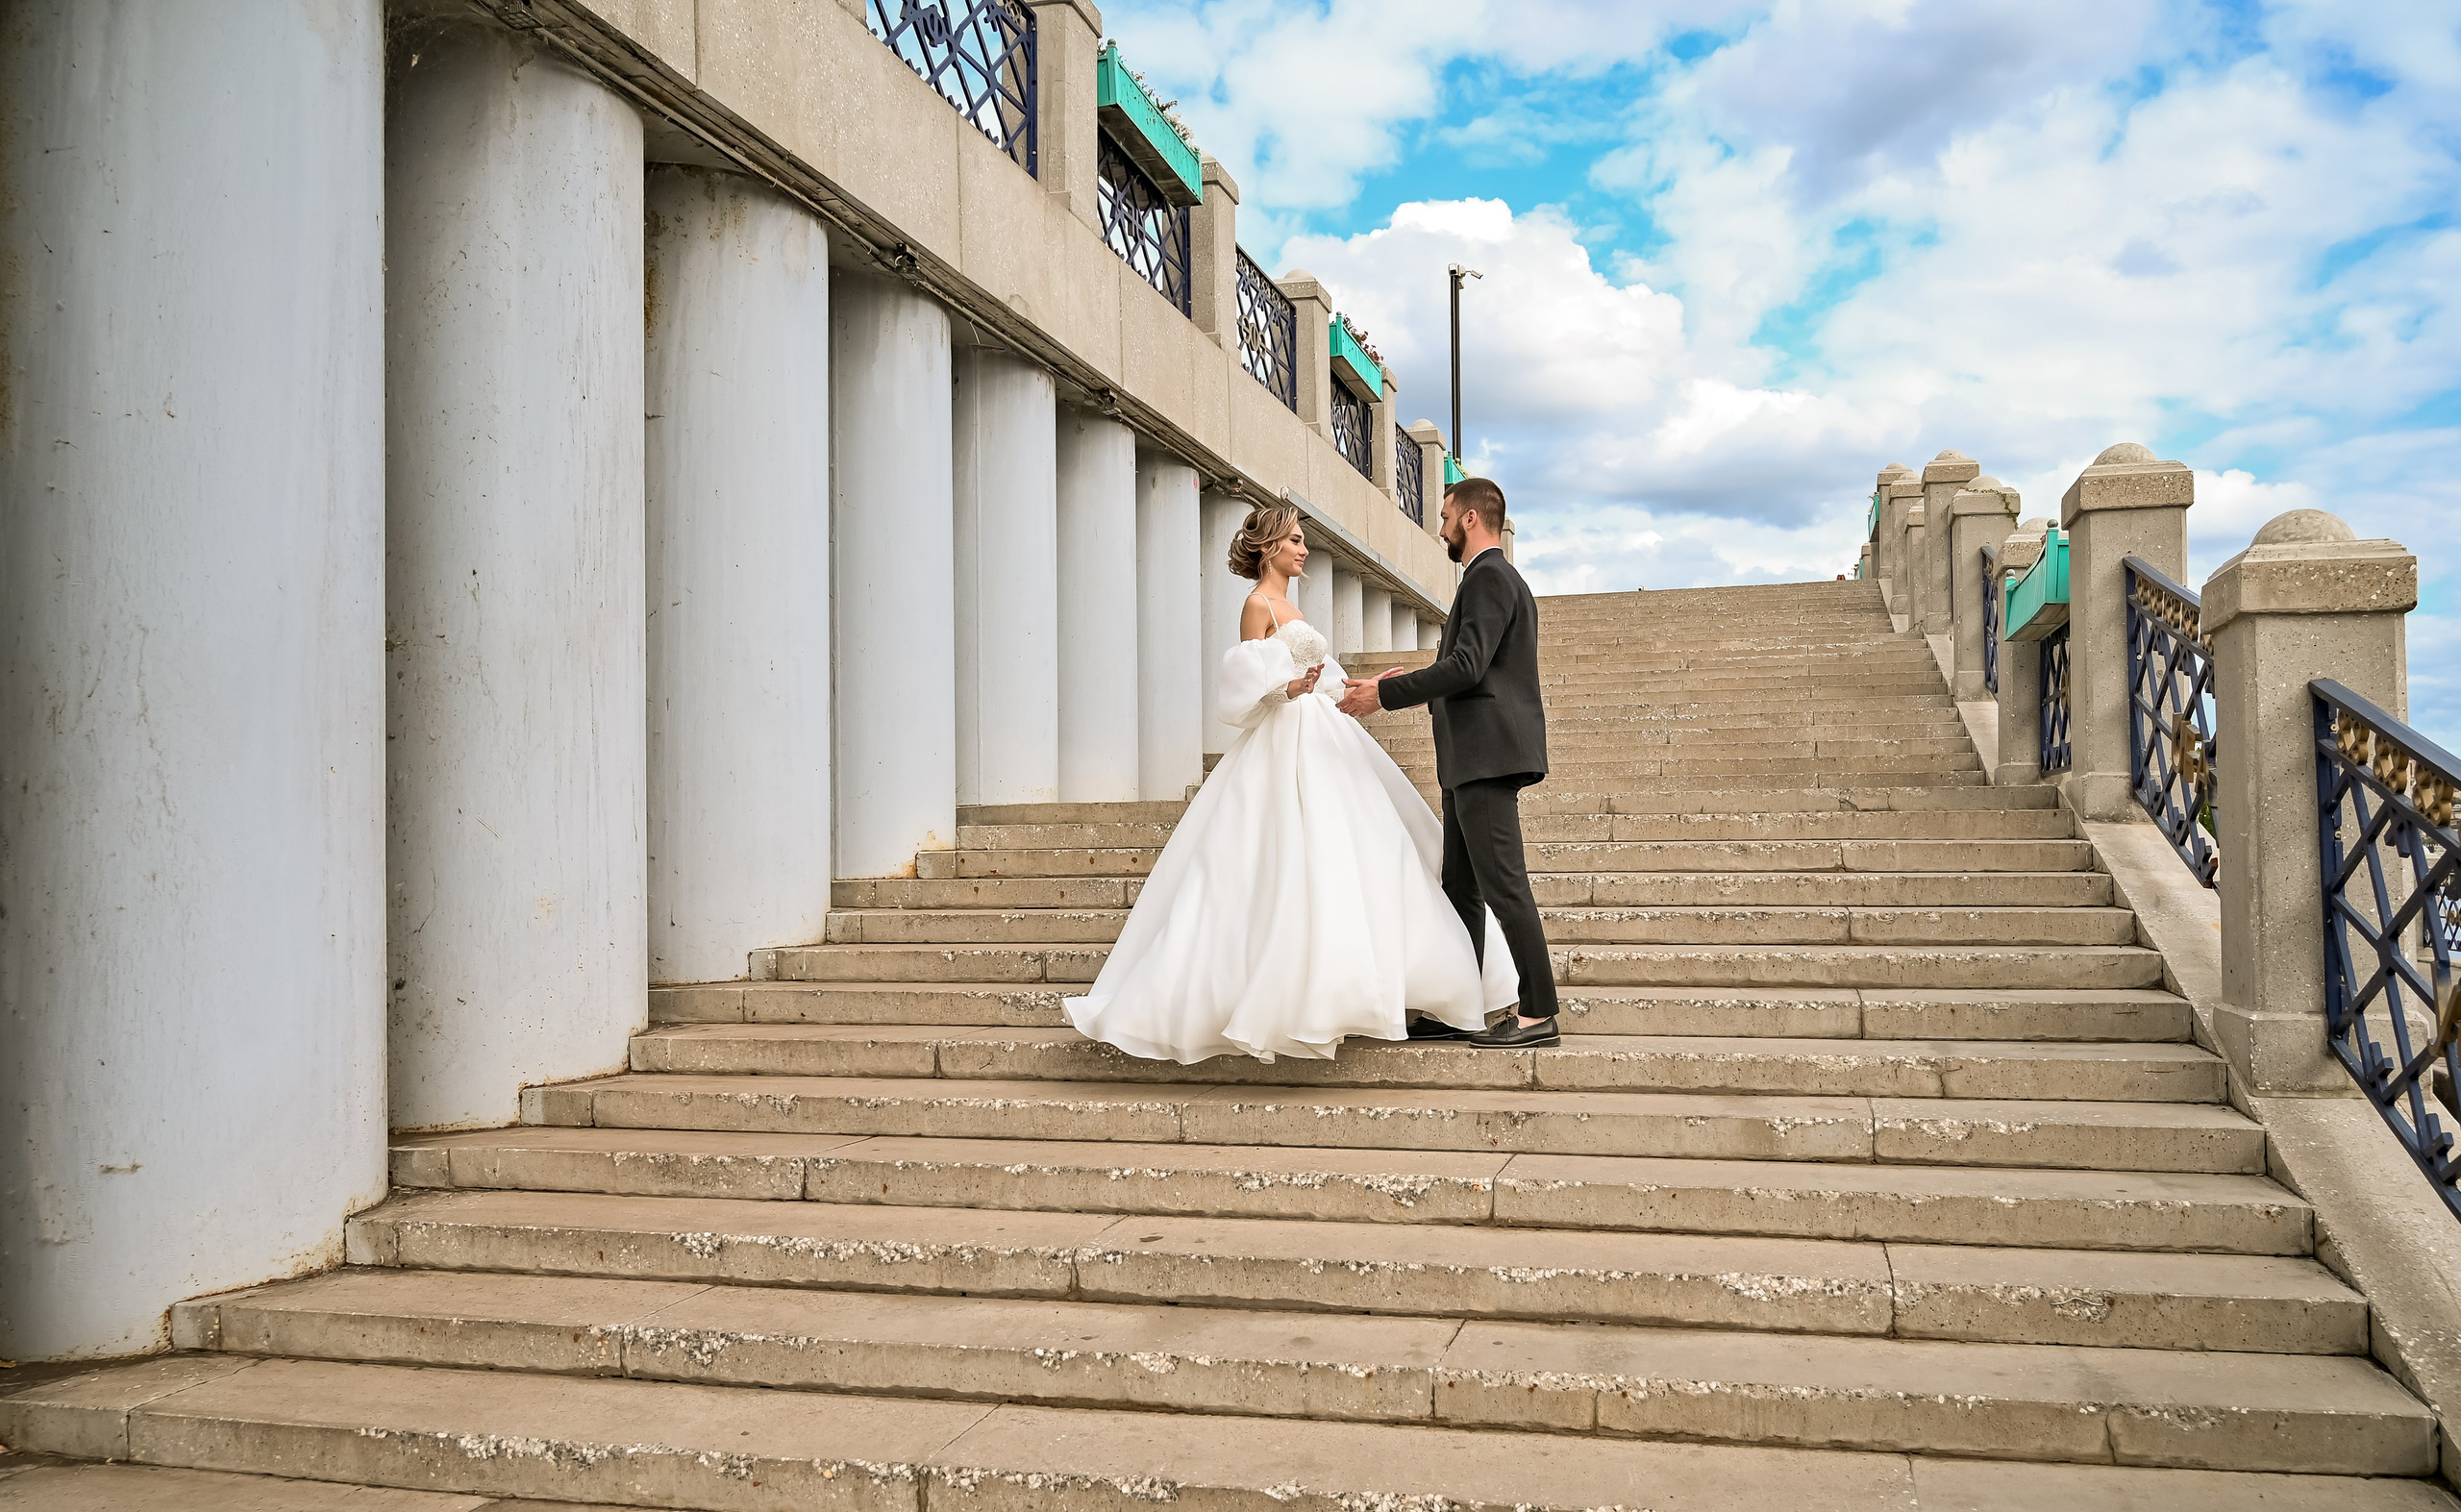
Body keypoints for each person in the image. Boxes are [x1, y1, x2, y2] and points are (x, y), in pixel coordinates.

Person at [1061, 502, 1515, 1063]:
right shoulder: (1257, 606)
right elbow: (1246, 694)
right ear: (1271, 546)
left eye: (1303, 540)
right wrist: (1288, 691)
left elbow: (1323, 679)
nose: (1303, 549)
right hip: (1287, 740)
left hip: (1324, 734)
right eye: (1296, 540)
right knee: (1292, 859)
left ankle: (1381, 983)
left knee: (1365, 851)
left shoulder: (1290, 605)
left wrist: (1370, 684)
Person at [1336, 477, 1556, 1048]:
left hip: (1485, 758)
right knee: (1461, 887)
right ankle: (1461, 1006)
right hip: (1469, 759)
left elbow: (1467, 666)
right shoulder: (1493, 579)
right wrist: (1396, 683)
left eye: (1444, 517)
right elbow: (1469, 668)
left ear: (1470, 519)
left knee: (1503, 885)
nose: (1439, 529)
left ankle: (1538, 1013)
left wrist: (1383, 696)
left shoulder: (1488, 576)